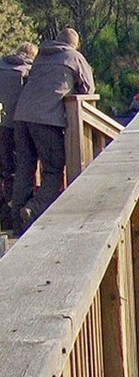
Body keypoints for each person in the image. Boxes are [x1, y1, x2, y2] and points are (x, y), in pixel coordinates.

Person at [11, 27, 95, 235]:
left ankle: (16, 223)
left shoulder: (40, 57)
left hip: (21, 117)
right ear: (75, 44)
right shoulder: (74, 57)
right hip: (46, 120)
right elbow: (88, 88)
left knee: (24, 169)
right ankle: (33, 209)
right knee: (54, 169)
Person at [0, 41, 38, 231]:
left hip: (1, 121)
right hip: (17, 125)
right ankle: (17, 218)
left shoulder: (1, 66)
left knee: (4, 172)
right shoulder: (28, 71)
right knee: (19, 171)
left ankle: (4, 218)